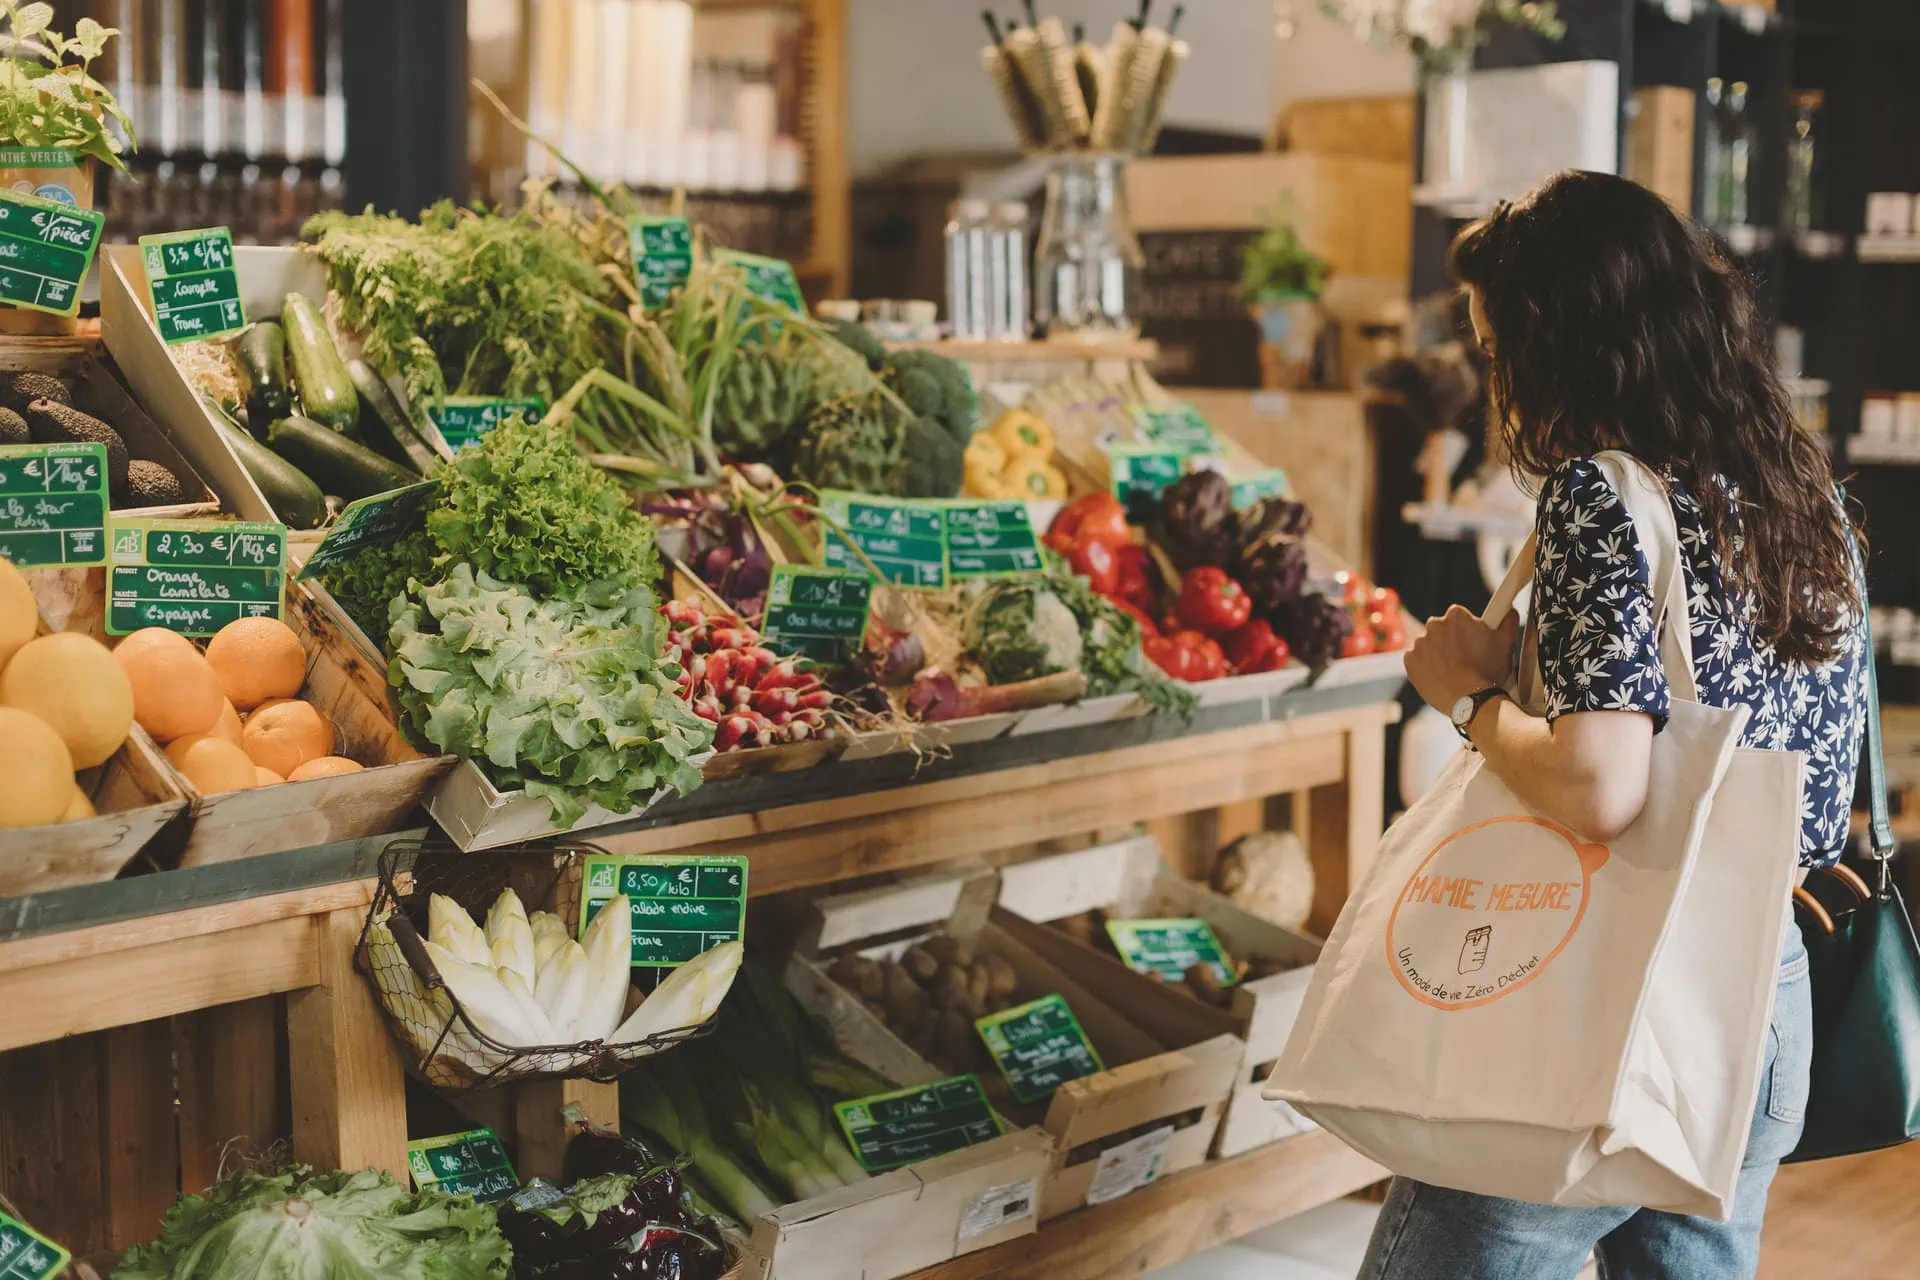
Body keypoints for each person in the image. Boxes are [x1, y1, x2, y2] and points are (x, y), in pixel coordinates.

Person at [1371, 170, 1869, 1279]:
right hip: (1761, 984)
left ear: (1564, 345)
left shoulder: (1603, 494)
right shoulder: (1803, 492)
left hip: (1611, 987)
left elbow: (1605, 785)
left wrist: (1466, 694)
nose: (1496, 379)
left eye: (1500, 350)